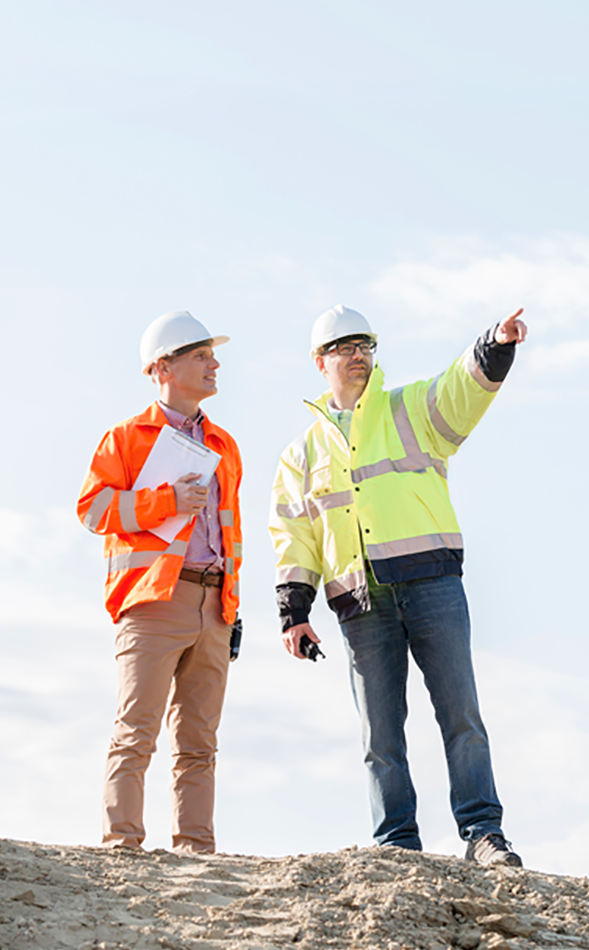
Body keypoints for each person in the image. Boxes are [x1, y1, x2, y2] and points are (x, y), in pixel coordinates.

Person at [269, 304, 527, 866]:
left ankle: (483, 833)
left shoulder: (410, 409)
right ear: (320, 362)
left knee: (461, 714)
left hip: (431, 583)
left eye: (366, 346)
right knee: (380, 736)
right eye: (345, 348)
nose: (358, 356)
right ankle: (396, 844)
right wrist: (294, 610)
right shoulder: (301, 455)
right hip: (360, 604)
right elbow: (293, 533)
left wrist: (494, 344)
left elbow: (461, 389)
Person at [77, 310, 243, 853]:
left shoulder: (225, 444)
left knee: (200, 742)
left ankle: (196, 849)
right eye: (200, 356)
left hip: (213, 604)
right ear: (161, 368)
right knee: (137, 731)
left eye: (211, 355)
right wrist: (166, 501)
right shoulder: (125, 438)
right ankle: (121, 844)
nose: (214, 364)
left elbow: (230, 533)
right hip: (152, 602)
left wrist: (230, 606)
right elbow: (94, 509)